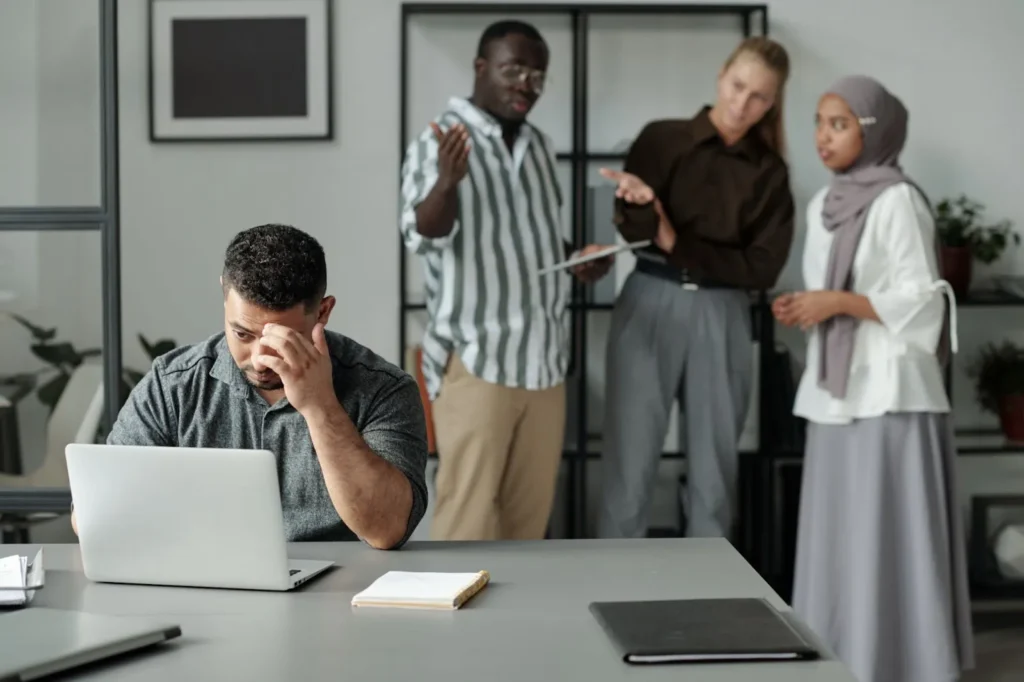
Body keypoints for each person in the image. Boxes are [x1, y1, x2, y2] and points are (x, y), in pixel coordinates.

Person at [774, 75, 974, 682]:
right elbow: (834, 291)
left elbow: (923, 302)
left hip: (890, 394)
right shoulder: (825, 204)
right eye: (819, 122)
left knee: (890, 533)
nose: (823, 136)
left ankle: (908, 663)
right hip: (838, 394)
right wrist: (807, 306)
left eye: (840, 124)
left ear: (875, 131)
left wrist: (835, 302)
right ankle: (845, 659)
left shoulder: (897, 200)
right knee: (843, 533)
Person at [71, 224, 429, 550]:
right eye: (242, 334)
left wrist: (320, 406)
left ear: (322, 312)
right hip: (202, 584)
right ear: (224, 295)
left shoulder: (384, 389)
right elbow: (92, 514)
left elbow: (387, 529)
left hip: (342, 590)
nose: (260, 360)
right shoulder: (173, 385)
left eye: (282, 339)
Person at [399, 19, 613, 541]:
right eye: (513, 70)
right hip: (479, 361)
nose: (526, 85)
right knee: (467, 525)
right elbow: (422, 233)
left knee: (528, 530)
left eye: (537, 76)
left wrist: (576, 259)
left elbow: (535, 240)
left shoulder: (539, 146)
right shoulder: (441, 140)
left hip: (545, 364)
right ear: (481, 67)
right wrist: (447, 184)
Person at [596, 37, 795, 539]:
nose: (742, 104)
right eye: (738, 85)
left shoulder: (770, 172)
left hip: (723, 313)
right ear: (721, 75)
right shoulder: (661, 139)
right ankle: (613, 580)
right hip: (649, 299)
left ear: (773, 103)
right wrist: (643, 208)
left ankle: (711, 586)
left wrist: (675, 241)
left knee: (715, 476)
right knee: (628, 468)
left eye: (759, 97)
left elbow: (762, 270)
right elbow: (633, 230)